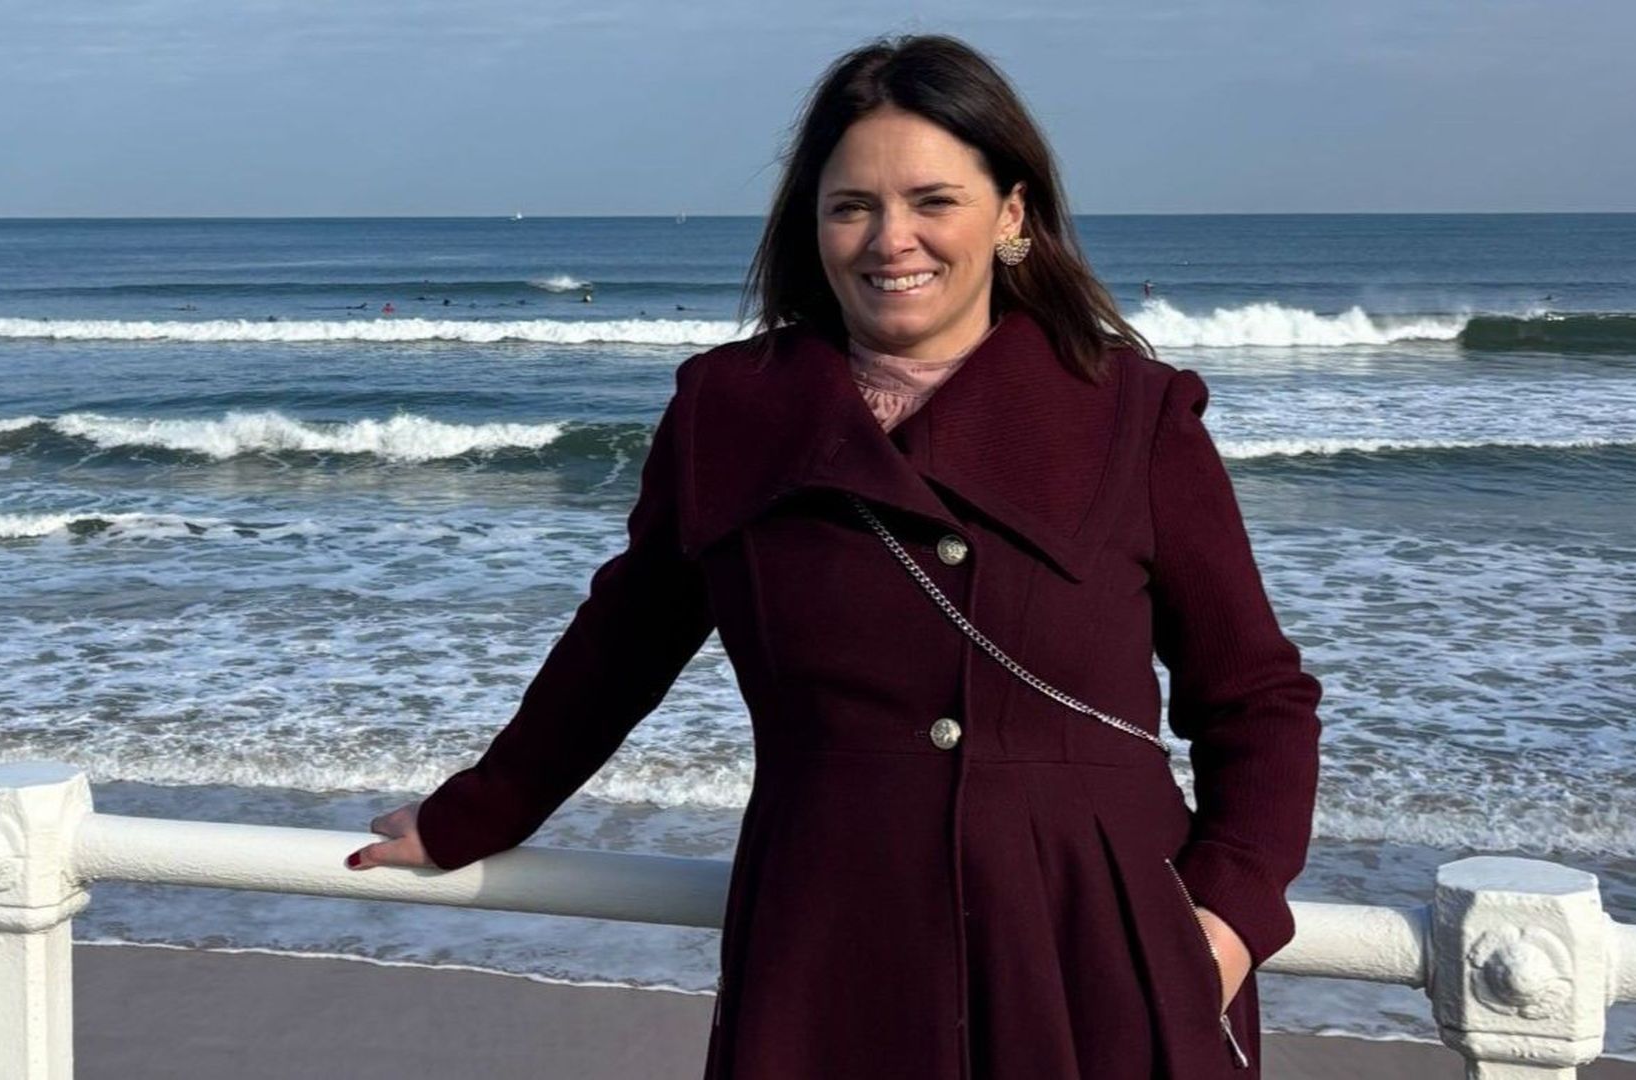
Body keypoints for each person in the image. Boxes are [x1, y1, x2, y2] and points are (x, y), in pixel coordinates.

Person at [348, 33, 1320, 1079]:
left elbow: (1254, 696)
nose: (892, 240)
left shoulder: (1132, 412)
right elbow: (620, 646)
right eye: (852, 205)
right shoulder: (731, 411)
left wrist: (1227, 917)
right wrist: (477, 813)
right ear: (811, 224)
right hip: (830, 938)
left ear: (1012, 215)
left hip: (1099, 946)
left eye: (934, 200)